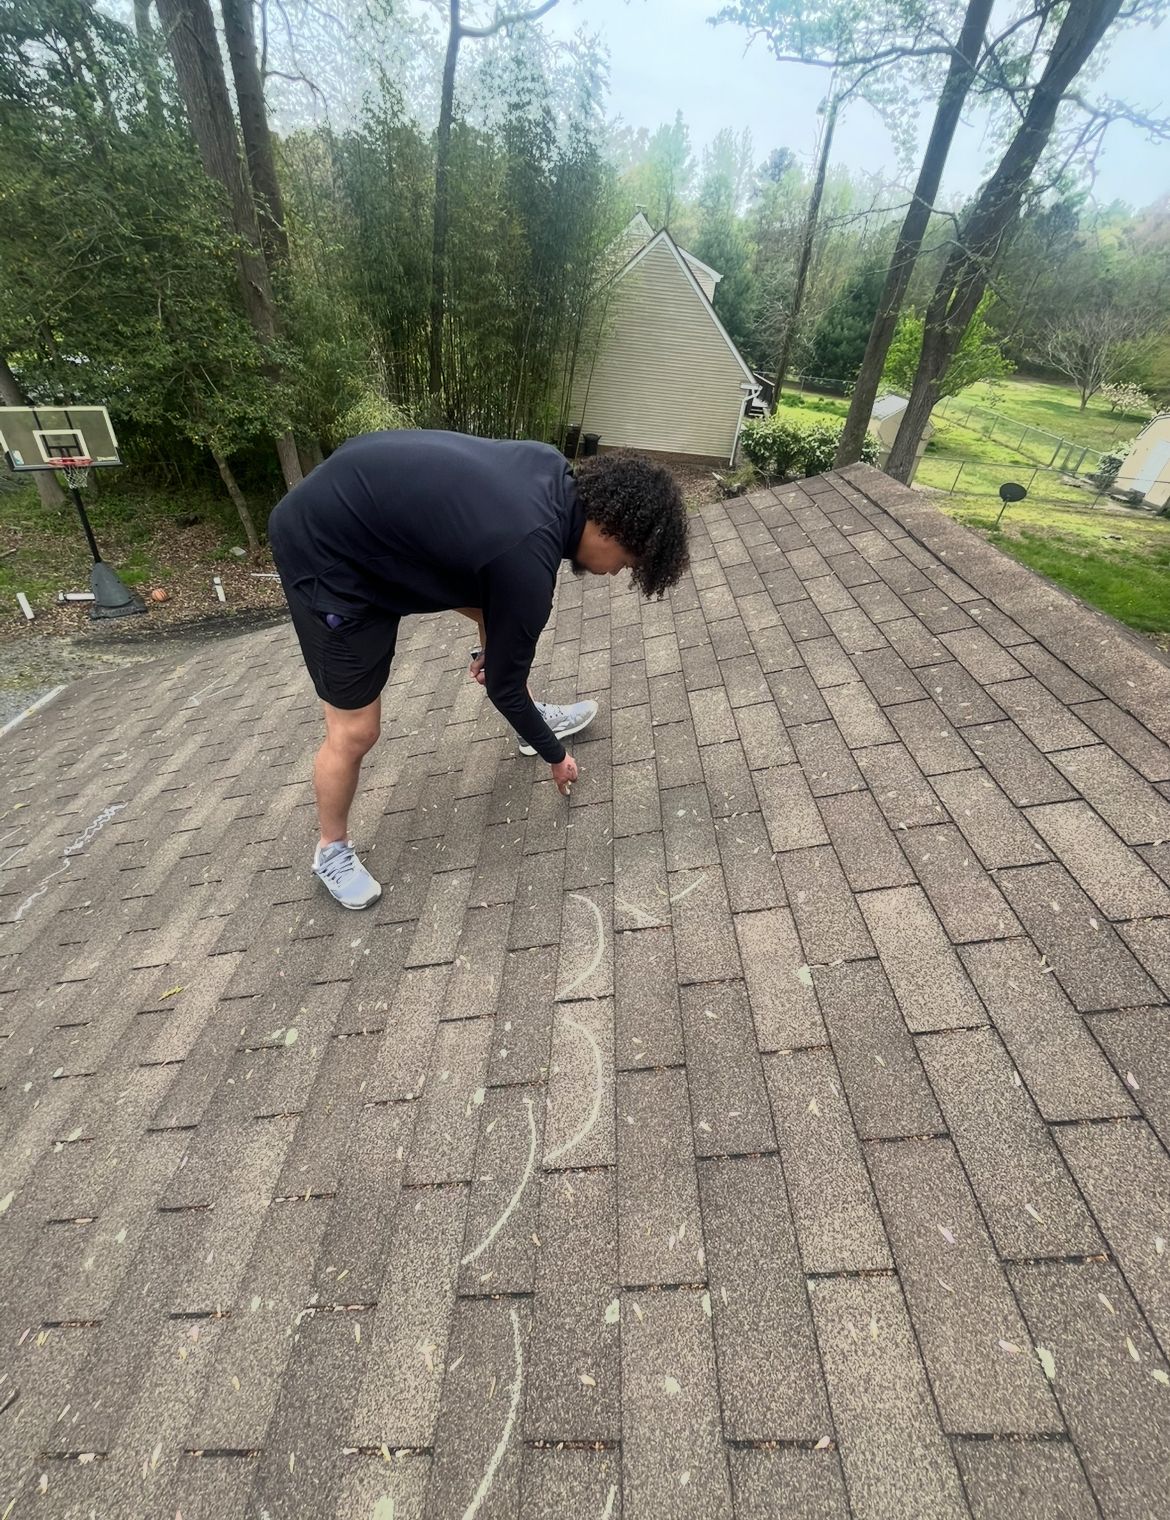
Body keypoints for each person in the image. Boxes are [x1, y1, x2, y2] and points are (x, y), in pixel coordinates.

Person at [268, 429, 689, 909]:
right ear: (611, 527)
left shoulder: (549, 469)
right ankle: (331, 851)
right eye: (627, 562)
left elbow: (490, 570)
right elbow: (503, 688)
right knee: (356, 730)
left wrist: (502, 661)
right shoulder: (527, 556)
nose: (617, 572)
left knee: (502, 617)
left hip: (366, 501)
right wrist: (556, 756)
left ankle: (528, 721)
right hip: (326, 550)